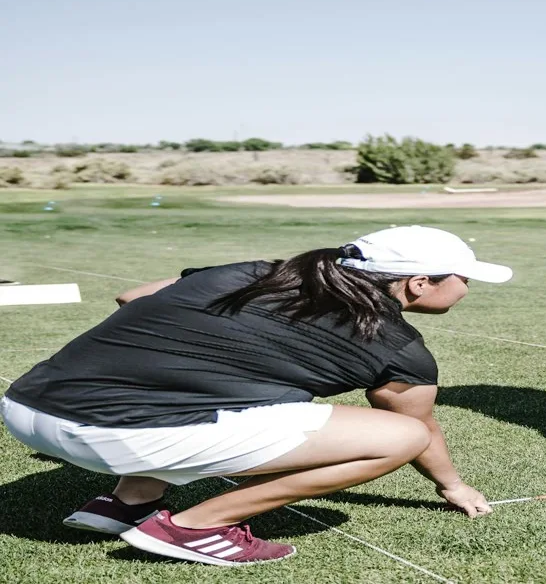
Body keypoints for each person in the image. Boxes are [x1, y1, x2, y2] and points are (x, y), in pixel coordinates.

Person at [0, 225, 511, 566]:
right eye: (465, 279)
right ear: (420, 283)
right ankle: (195, 528)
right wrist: (453, 487)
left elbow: (133, 297)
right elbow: (421, 432)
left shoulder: (256, 271)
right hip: (112, 432)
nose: (467, 287)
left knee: (221, 393)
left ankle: (125, 503)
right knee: (399, 435)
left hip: (26, 406)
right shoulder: (399, 347)